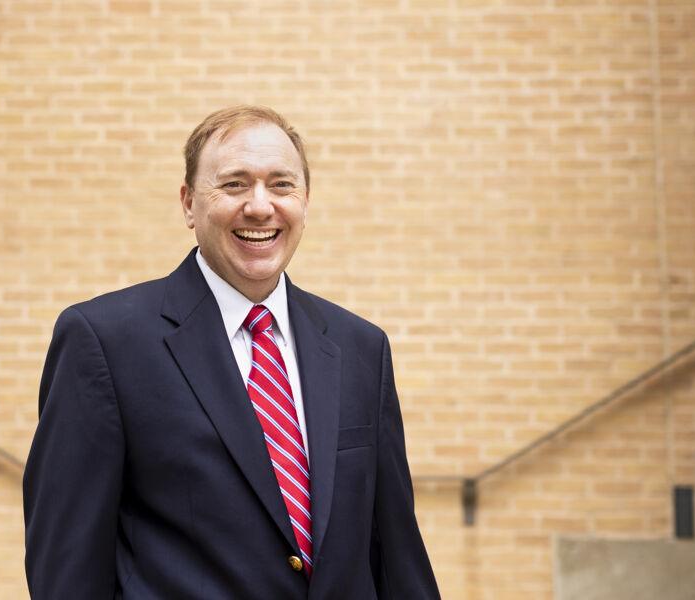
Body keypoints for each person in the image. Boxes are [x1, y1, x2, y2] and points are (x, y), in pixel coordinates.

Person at [23, 105, 440, 599]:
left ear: (305, 202)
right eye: (235, 184)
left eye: (281, 185)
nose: (261, 207)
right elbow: (66, 570)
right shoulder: (104, 342)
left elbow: (396, 555)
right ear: (188, 204)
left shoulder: (361, 348)